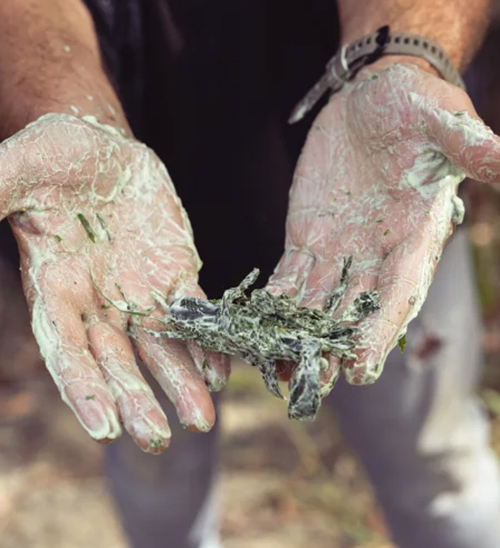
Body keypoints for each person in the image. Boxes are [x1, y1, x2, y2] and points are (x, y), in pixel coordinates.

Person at [0, 0, 499, 547]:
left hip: (375, 216)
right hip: (121, 246)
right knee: (154, 460)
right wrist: (57, 102)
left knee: (435, 461)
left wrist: (406, 53)